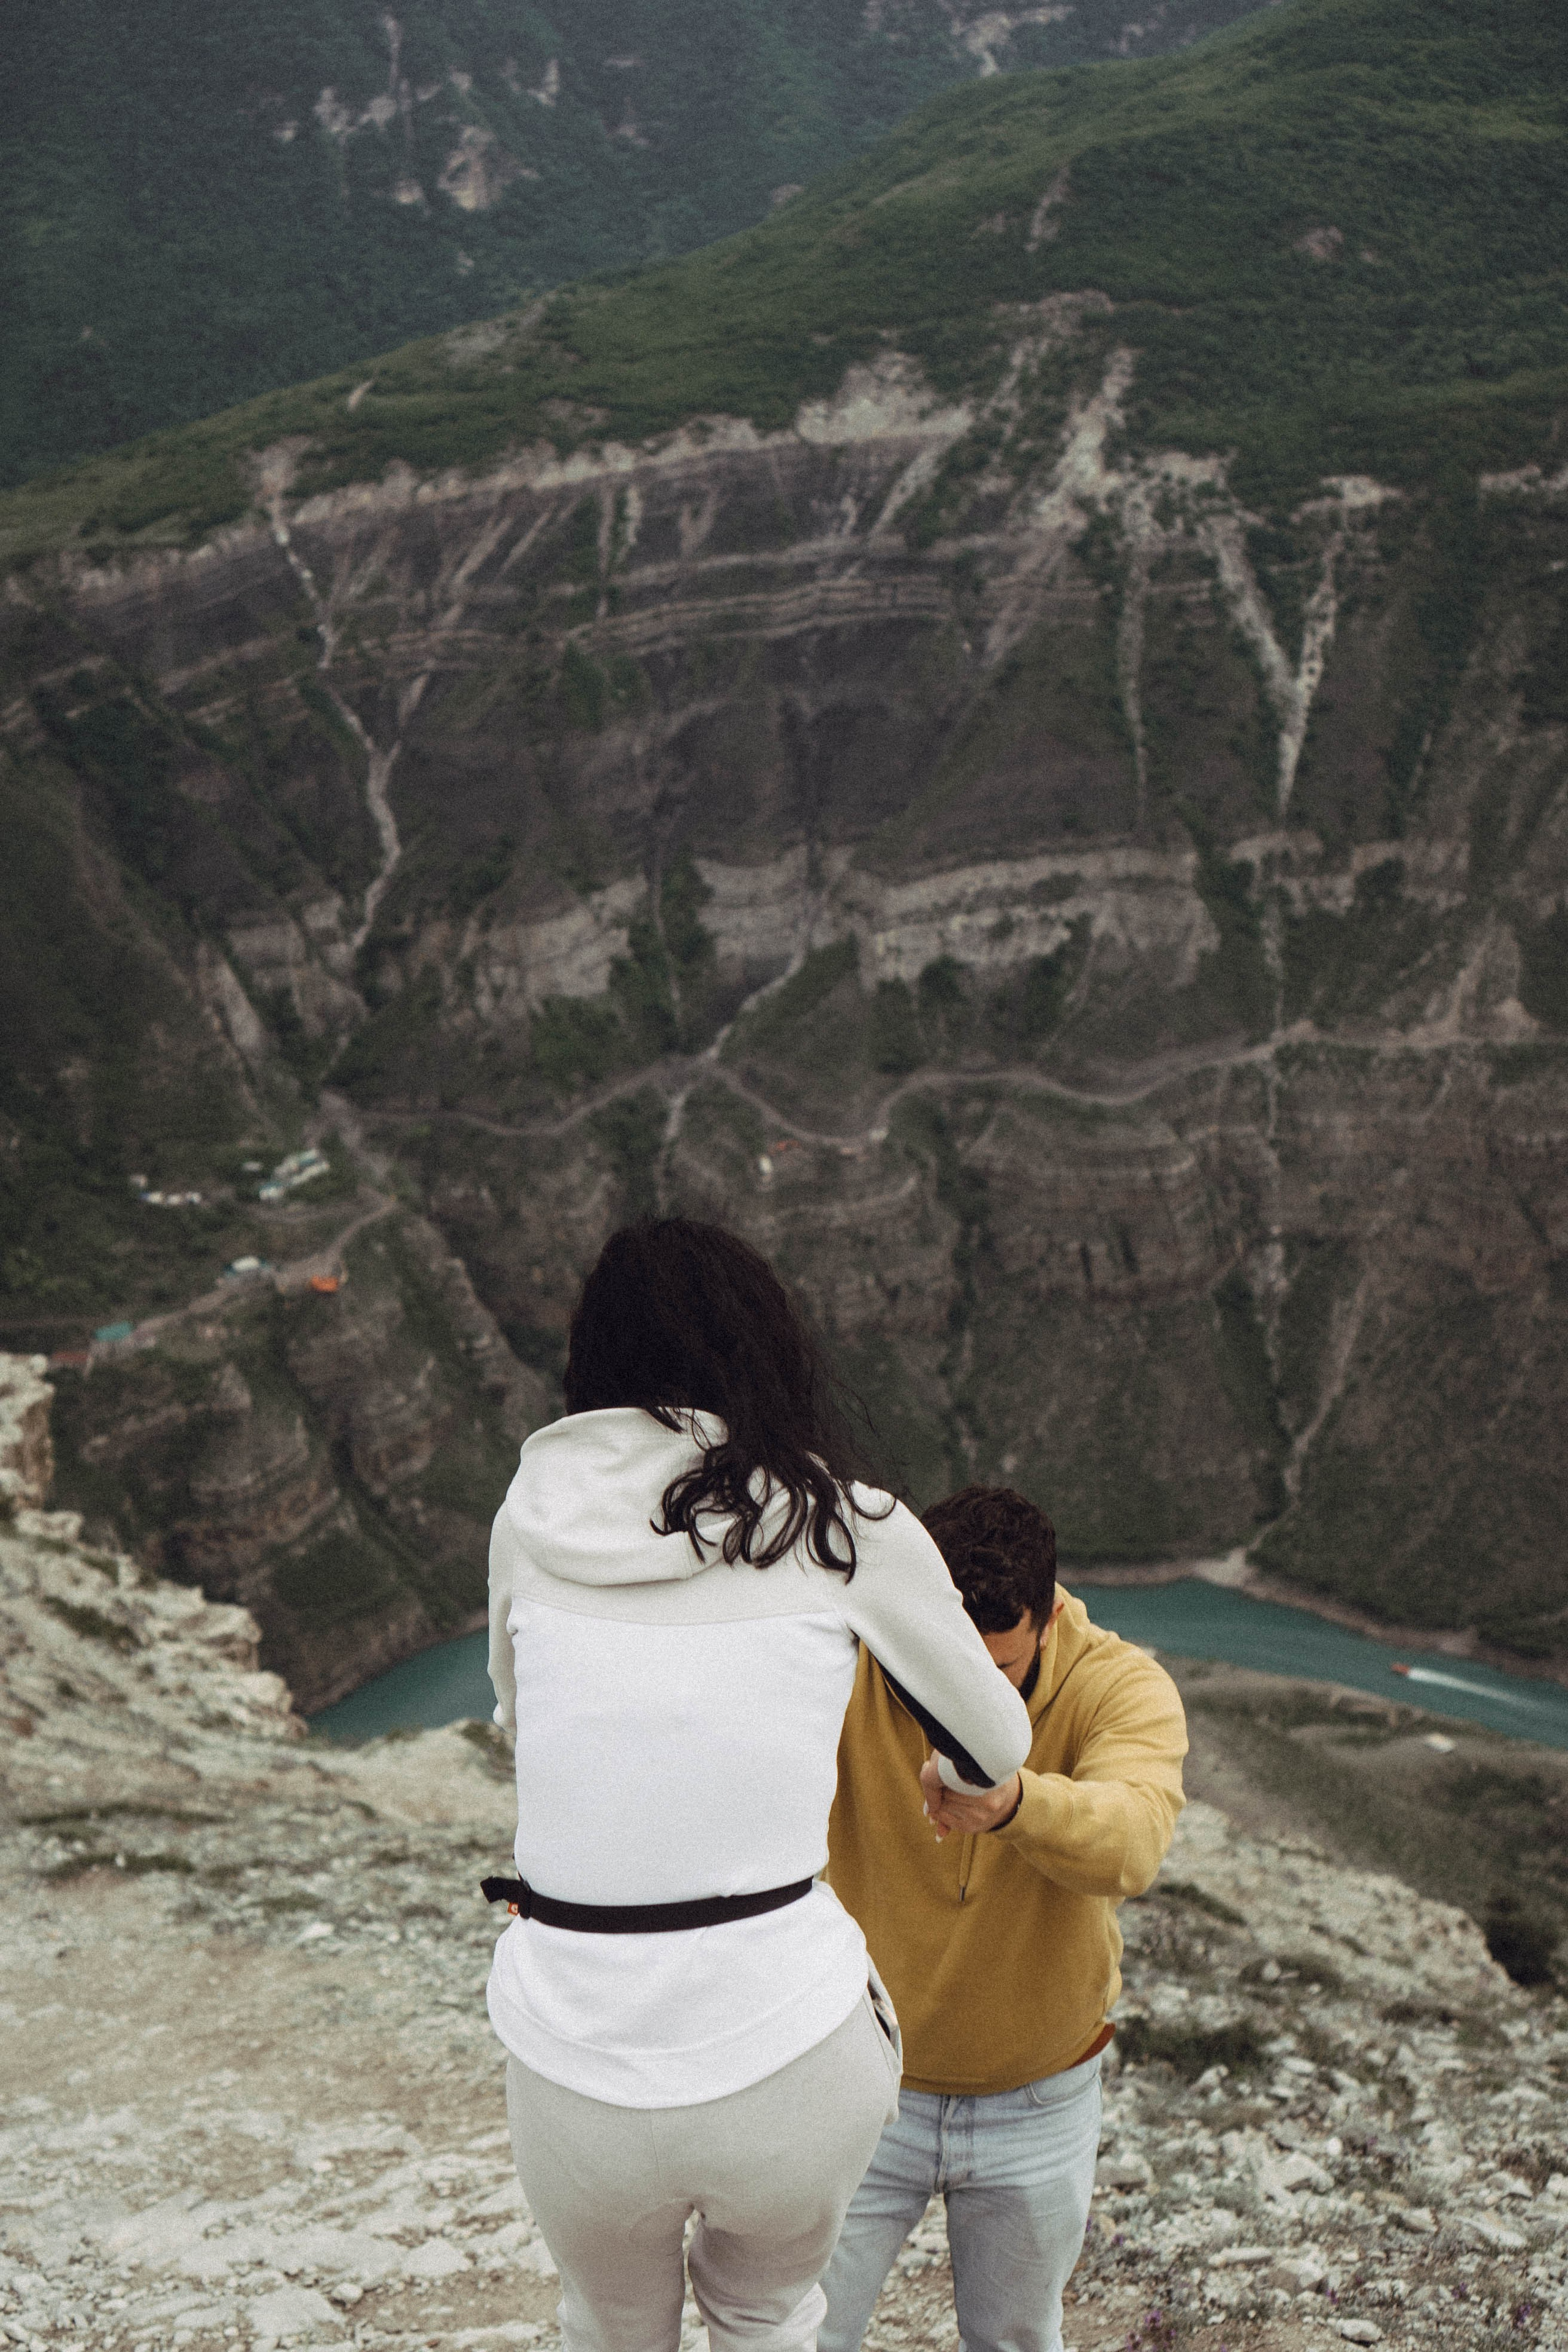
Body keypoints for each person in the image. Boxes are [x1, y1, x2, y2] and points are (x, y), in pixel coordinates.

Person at [483, 1221, 1034, 2352]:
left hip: (572, 2048)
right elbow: (999, 1744)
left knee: (607, 2328)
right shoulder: (845, 1526)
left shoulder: (528, 1526)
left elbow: (520, 1720)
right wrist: (947, 1771)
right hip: (788, 2050)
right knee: (767, 2318)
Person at [820, 1484, 1189, 2352]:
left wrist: (1017, 1803)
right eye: (940, 1669)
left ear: (1051, 1619)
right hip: (861, 2083)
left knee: (1016, 2340)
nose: (962, 1704)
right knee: (799, 2333)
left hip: (1039, 2100)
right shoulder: (848, 1664)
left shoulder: (1121, 1684)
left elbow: (1134, 1844)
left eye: (997, 1675)